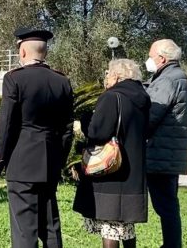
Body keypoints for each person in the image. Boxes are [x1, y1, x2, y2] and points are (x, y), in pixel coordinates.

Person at [0, 28, 74, 248]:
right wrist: (59, 158)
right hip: (50, 162)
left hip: (22, 162)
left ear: (23, 52)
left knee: (24, 229)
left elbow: (7, 124)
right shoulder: (62, 81)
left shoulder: (14, 79)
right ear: (44, 52)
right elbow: (67, 129)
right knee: (50, 224)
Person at [73, 59, 151, 248]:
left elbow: (97, 132)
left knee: (110, 225)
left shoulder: (111, 97)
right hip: (133, 174)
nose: (106, 78)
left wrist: (85, 119)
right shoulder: (142, 98)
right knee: (126, 227)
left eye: (107, 73)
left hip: (111, 172)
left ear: (116, 75)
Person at [144, 39, 187, 248]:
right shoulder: (174, 76)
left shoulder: (168, 80)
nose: (148, 60)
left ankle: (172, 246)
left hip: (160, 153)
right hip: (167, 153)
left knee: (166, 206)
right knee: (168, 205)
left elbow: (151, 115)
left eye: (151, 55)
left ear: (162, 58)